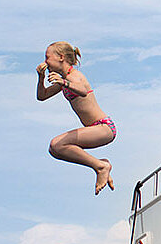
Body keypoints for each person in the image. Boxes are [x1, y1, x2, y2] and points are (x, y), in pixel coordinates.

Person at [37, 41, 116, 194]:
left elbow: (82, 91)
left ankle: (101, 166)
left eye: (47, 57)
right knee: (55, 149)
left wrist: (64, 82)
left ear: (60, 57)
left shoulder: (75, 76)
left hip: (103, 127)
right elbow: (42, 96)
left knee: (57, 144)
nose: (45, 62)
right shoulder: (64, 80)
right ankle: (101, 165)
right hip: (94, 129)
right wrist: (41, 78)